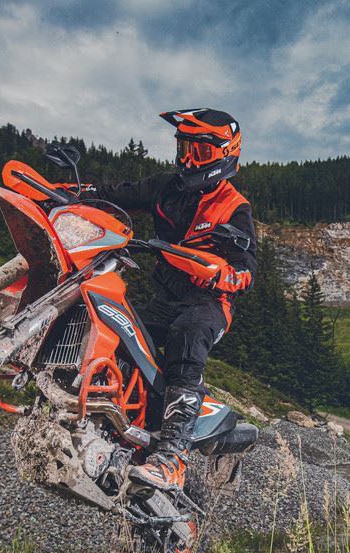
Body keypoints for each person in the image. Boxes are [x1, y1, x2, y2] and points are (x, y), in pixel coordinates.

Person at [91, 108, 257, 492]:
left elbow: (247, 271)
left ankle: (172, 458)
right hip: (165, 299)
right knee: (115, 327)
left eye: (199, 152)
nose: (188, 161)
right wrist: (62, 193)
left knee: (187, 334)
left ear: (224, 155)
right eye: (184, 149)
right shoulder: (165, 186)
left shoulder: (234, 206)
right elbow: (112, 195)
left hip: (209, 303)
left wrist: (218, 271)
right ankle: (115, 423)